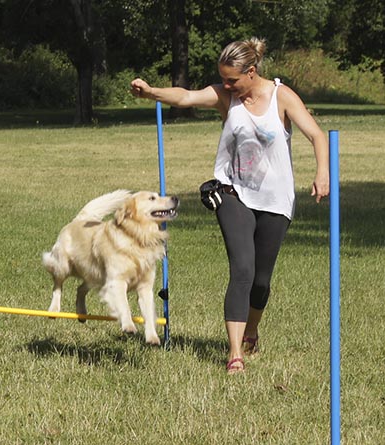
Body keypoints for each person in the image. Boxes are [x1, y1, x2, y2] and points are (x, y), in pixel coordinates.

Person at [130, 38, 329, 374]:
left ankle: (251, 330)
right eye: (223, 79)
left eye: (233, 79)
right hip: (232, 193)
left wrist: (322, 172)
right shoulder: (227, 97)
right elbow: (186, 97)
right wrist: (151, 93)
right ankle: (234, 353)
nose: (226, 85)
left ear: (251, 72)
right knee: (242, 270)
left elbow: (317, 135)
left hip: (275, 198)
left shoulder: (282, 96)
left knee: (261, 280)